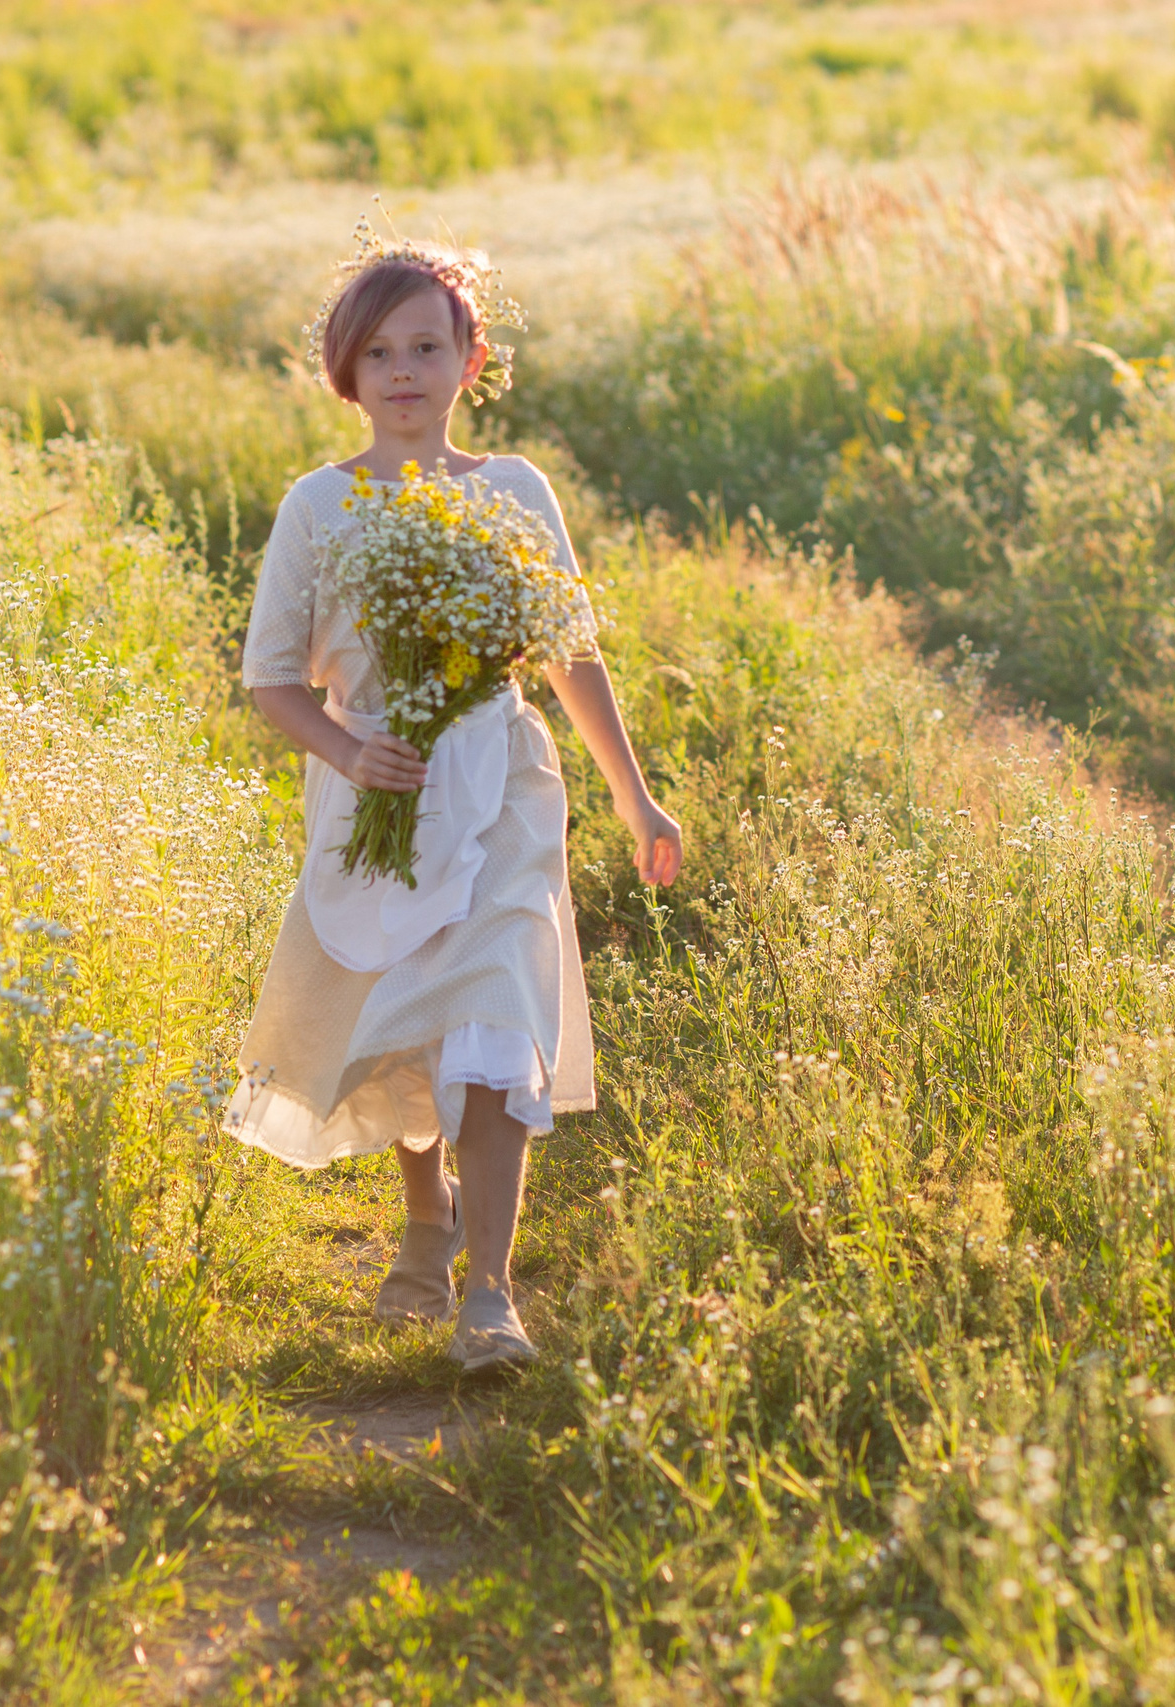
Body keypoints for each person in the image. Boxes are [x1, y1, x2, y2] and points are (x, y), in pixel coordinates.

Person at [221, 229, 684, 1372]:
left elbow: (570, 650)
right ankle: (422, 1215)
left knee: (490, 1023)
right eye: (378, 353)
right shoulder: (318, 506)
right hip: (382, 793)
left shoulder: (514, 490)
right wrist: (348, 749)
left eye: (427, 346)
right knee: (408, 1014)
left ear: (471, 356)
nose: (404, 373)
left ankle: (490, 1293)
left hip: (504, 789)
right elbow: (269, 679)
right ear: (347, 372)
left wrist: (635, 797)